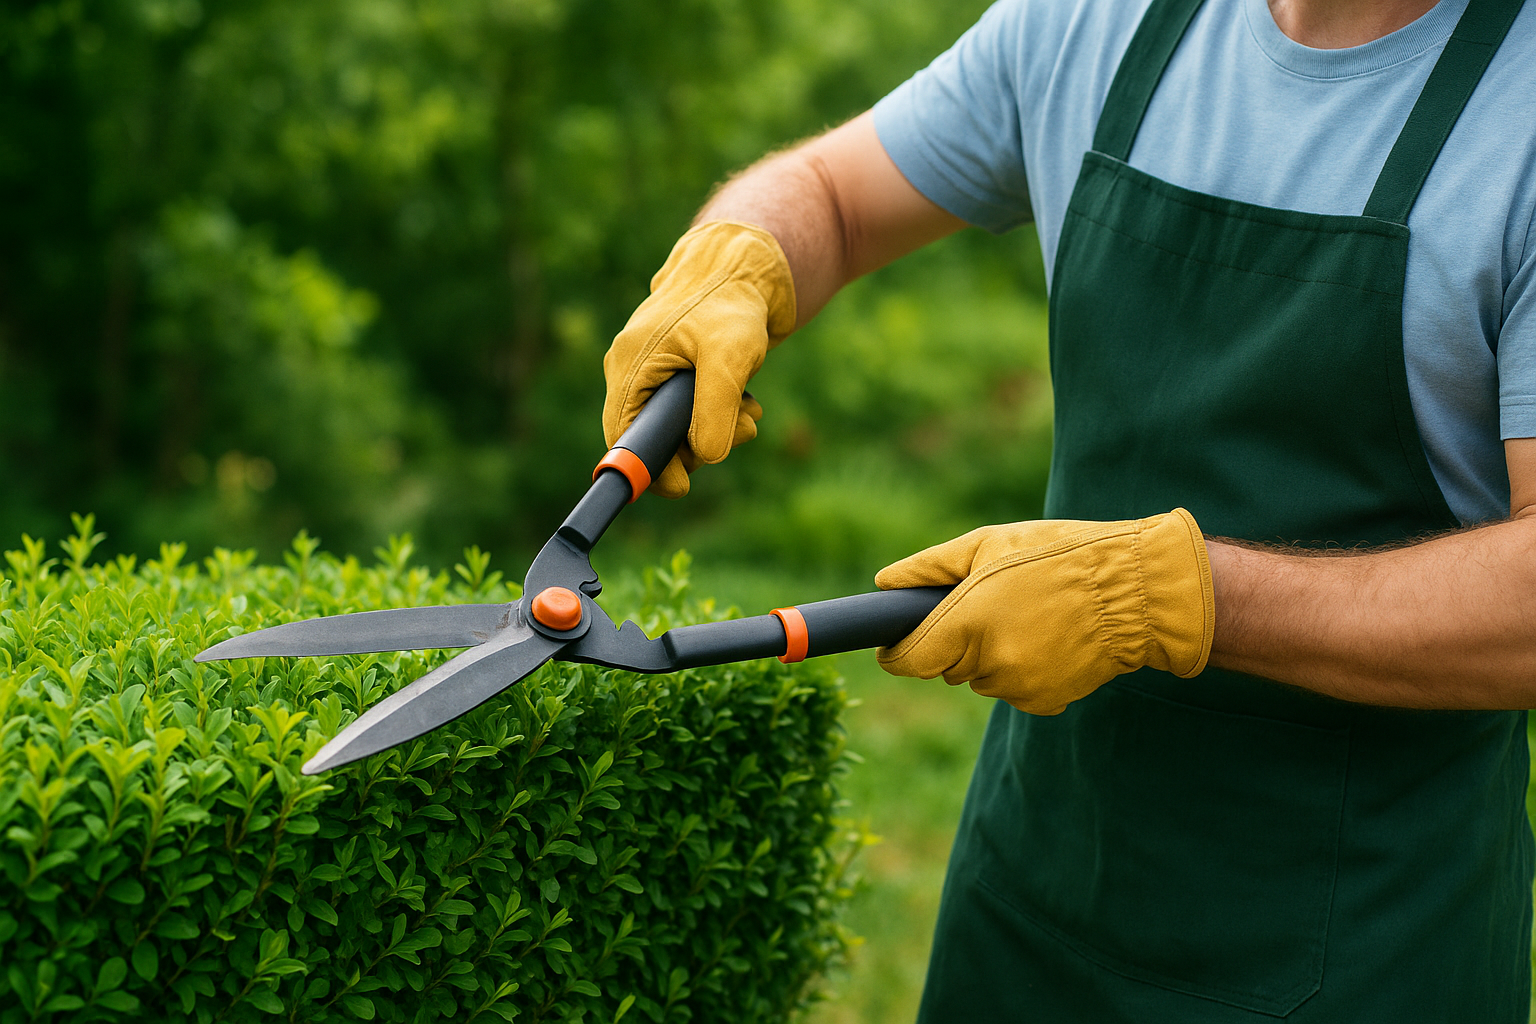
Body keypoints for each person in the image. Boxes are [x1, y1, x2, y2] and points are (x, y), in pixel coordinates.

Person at [601, 0, 1536, 1018]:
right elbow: (833, 190)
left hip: (1362, 945)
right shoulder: (1101, 18)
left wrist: (1172, 597)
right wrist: (739, 253)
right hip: (1032, 902)